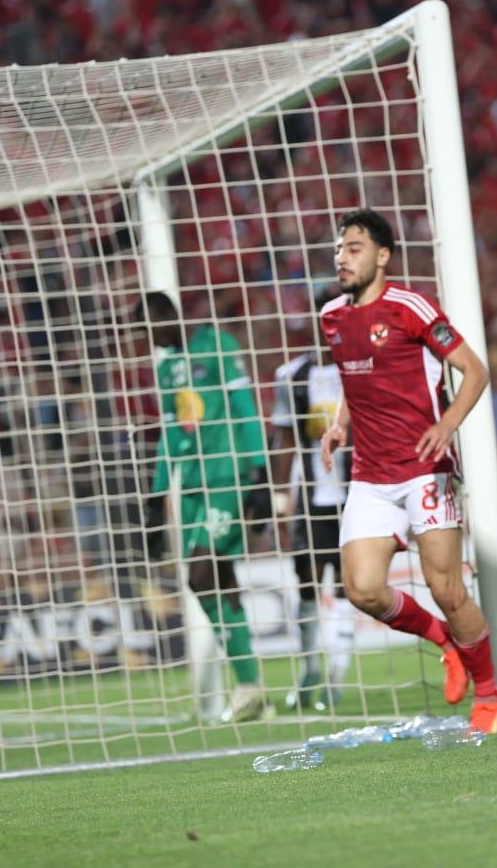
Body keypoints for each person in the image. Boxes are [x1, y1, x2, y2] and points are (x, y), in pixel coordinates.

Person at [319, 209, 497, 734]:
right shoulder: (332, 316)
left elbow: (475, 370)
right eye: (339, 248)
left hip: (426, 470)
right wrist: (339, 425)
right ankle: (445, 641)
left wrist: (447, 423)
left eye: (354, 247)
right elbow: (357, 380)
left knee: (447, 589)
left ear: (383, 256)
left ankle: (491, 694)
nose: (342, 256)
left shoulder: (412, 306)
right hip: (371, 474)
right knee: (362, 590)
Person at [141, 291, 273, 722]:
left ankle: (250, 683)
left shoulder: (218, 345)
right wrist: (157, 496)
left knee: (199, 574)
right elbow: (169, 436)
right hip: (195, 489)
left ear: (166, 317)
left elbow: (245, 408)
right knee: (218, 582)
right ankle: (252, 689)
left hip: (228, 478)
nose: (151, 341)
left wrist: (260, 473)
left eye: (150, 329)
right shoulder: (165, 369)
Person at [270, 289, 355, 711]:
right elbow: (283, 439)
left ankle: (335, 679)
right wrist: (275, 491)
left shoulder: (357, 371)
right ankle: (308, 673)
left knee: (346, 585)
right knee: (305, 583)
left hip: (353, 493)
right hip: (306, 496)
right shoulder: (292, 375)